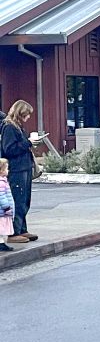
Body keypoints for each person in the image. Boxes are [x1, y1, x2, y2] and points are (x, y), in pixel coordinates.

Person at [0, 100, 40, 243]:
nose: (28, 118)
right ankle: (13, 232)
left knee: (24, 200)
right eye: (27, 115)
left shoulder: (17, 126)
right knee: (17, 199)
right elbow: (9, 149)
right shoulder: (9, 127)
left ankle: (22, 229)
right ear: (20, 113)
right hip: (16, 169)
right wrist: (28, 142)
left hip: (24, 167)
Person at [0, 158, 15, 251]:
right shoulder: (1, 182)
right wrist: (7, 208)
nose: (8, 171)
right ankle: (1, 244)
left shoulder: (3, 180)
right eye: (6, 169)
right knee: (1, 228)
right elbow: (2, 197)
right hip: (2, 211)